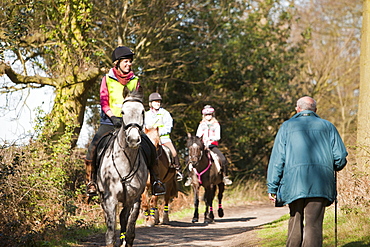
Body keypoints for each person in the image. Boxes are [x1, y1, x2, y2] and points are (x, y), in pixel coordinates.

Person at [267, 96, 348, 247]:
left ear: (297, 109)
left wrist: (272, 186)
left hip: (293, 183)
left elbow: (278, 159)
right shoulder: (328, 126)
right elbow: (340, 157)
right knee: (314, 225)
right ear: (315, 110)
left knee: (295, 220)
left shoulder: (286, 127)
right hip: (320, 182)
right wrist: (332, 166)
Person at [84, 46, 165, 197]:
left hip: (132, 124)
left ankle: (156, 182)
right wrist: (112, 117)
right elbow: (104, 101)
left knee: (151, 149)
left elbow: (139, 102)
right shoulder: (106, 79)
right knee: (92, 149)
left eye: (130, 62)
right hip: (110, 122)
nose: (129, 64)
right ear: (117, 63)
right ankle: (91, 182)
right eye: (126, 62)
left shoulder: (135, 81)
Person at [185, 105, 232, 186]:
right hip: (202, 146)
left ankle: (224, 177)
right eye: (206, 115)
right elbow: (198, 136)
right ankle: (189, 177)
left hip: (212, 146)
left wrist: (209, 139)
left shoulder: (216, 124)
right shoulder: (201, 124)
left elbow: (218, 137)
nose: (208, 116)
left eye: (209, 114)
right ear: (204, 116)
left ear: (212, 115)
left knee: (223, 159)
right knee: (189, 159)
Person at [144, 92, 183, 181]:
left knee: (173, 152)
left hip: (163, 138)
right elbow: (143, 126)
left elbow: (168, 126)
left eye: (158, 102)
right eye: (155, 102)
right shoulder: (146, 114)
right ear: (151, 103)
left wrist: (158, 133)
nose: (157, 104)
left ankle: (177, 171)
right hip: (150, 139)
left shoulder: (165, 113)